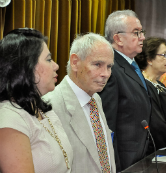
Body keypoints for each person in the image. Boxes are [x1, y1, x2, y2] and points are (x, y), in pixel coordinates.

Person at [0, 28, 73, 172]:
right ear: (26, 67)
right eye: (48, 59)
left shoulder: (43, 109)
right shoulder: (9, 118)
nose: (56, 66)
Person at [43, 33, 116, 173]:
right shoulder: (49, 105)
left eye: (109, 66)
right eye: (98, 64)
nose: (105, 73)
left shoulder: (95, 99)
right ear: (75, 62)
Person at [99, 10, 151, 171]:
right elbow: (108, 126)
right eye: (136, 33)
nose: (142, 37)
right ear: (118, 38)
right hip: (124, 161)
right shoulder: (111, 69)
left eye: (142, 32)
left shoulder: (131, 65)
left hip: (140, 156)